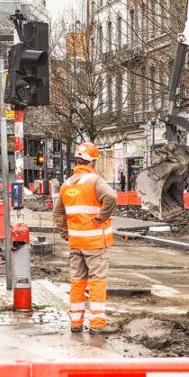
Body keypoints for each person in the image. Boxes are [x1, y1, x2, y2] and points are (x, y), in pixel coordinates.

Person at [52, 142, 118, 334]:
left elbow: (57, 214)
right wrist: (102, 217)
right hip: (96, 243)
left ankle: (75, 323)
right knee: (97, 281)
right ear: (93, 162)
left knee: (77, 281)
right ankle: (97, 324)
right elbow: (111, 197)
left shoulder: (67, 184)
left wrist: (67, 234)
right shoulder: (94, 180)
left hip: (76, 243)